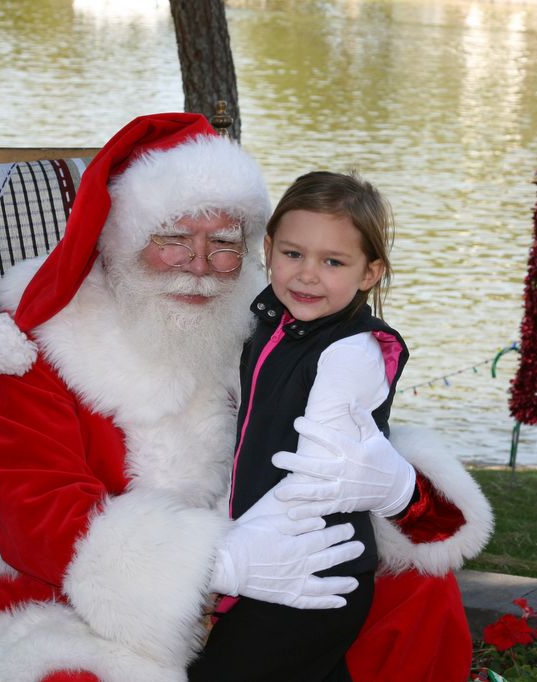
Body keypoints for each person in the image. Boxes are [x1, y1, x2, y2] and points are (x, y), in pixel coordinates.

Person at [0, 113, 493, 682]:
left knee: (420, 590)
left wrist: (401, 489)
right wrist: (221, 564)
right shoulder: (36, 343)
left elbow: (337, 442)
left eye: (224, 243)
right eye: (174, 238)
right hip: (91, 604)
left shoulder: (275, 313)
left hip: (270, 573)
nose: (200, 266)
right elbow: (35, 516)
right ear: (124, 240)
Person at [189, 171, 413, 681]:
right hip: (272, 557)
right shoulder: (273, 323)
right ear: (267, 248)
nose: (308, 275)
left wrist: (227, 557)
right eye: (293, 254)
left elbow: (315, 471)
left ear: (370, 272)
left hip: (313, 568)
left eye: (333, 262)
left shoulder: (352, 351)